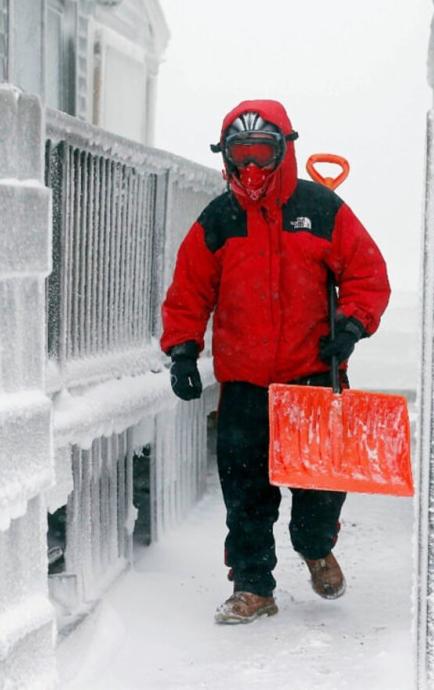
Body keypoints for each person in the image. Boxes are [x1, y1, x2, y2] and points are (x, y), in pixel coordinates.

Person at [160, 99, 390, 624]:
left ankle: (315, 548)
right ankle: (253, 586)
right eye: (241, 156)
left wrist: (351, 325)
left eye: (263, 154)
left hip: (311, 377)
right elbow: (189, 292)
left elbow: (367, 274)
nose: (252, 169)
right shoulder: (219, 219)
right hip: (244, 385)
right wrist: (182, 349)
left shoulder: (322, 210)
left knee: (319, 490)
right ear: (227, 158)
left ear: (284, 150)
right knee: (246, 495)